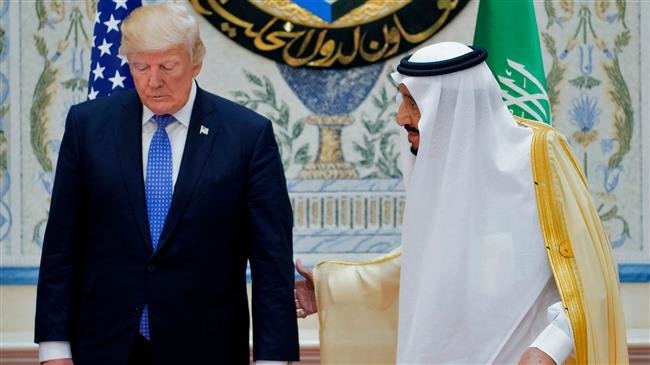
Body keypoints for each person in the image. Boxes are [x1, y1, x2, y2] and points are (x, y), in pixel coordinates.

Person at [295, 42, 628, 364]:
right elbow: (431, 267)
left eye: (412, 102)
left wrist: (549, 348)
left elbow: (587, 274)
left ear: (450, 105)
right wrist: (331, 289)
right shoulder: (442, 169)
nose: (400, 117)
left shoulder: (539, 155)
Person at [34, 4, 298, 365]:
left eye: (167, 67)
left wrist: (273, 359)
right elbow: (62, 245)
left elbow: (271, 261)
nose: (153, 80)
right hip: (103, 346)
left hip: (207, 348)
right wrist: (54, 346)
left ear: (196, 63)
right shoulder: (88, 126)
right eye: (141, 67)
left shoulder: (247, 136)